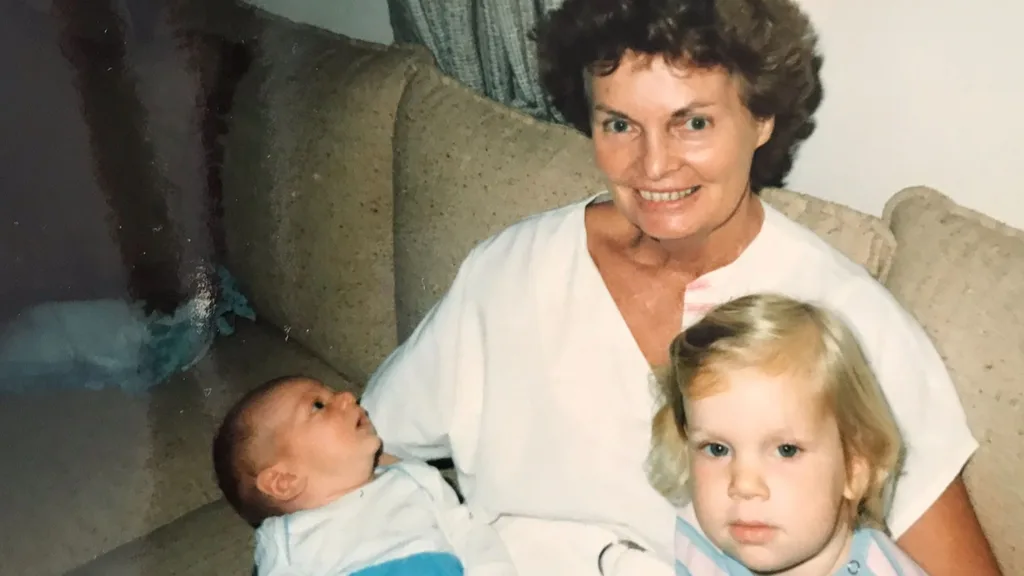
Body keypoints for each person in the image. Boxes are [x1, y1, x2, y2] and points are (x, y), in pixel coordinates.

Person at [359, 0, 1000, 574]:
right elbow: (354, 454)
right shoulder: (511, 270)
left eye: (692, 123)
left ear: (760, 119)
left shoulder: (846, 316)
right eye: (619, 125)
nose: (654, 165)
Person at [648, 293, 927, 575]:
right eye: (717, 449)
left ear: (854, 469)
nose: (744, 485)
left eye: (786, 450)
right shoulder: (698, 544)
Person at [212, 376, 517, 575]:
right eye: (318, 405)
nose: (347, 396)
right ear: (284, 481)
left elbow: (469, 534)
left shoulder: (413, 478)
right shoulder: (286, 540)